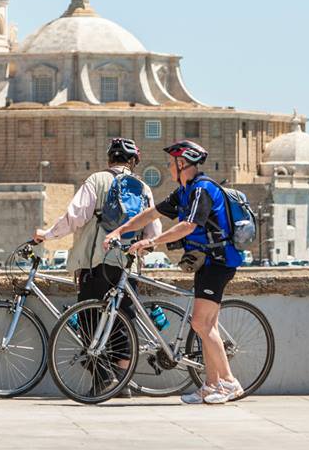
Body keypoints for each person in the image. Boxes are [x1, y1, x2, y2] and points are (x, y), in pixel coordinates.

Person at [103, 140, 245, 404]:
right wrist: (119, 231)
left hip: (218, 262)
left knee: (200, 323)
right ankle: (211, 385)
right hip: (207, 263)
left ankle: (229, 382)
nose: (169, 167)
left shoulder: (201, 190)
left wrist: (151, 242)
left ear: (182, 164)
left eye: (171, 163)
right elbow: (150, 214)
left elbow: (189, 226)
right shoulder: (185, 192)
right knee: (206, 326)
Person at [33, 138, 161, 396]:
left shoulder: (96, 180)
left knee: (90, 323)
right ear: (133, 162)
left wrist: (46, 235)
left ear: (109, 159)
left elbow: (75, 216)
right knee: (124, 324)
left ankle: (105, 379)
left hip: (95, 263)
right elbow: (153, 231)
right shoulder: (143, 187)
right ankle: (120, 383)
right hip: (126, 266)